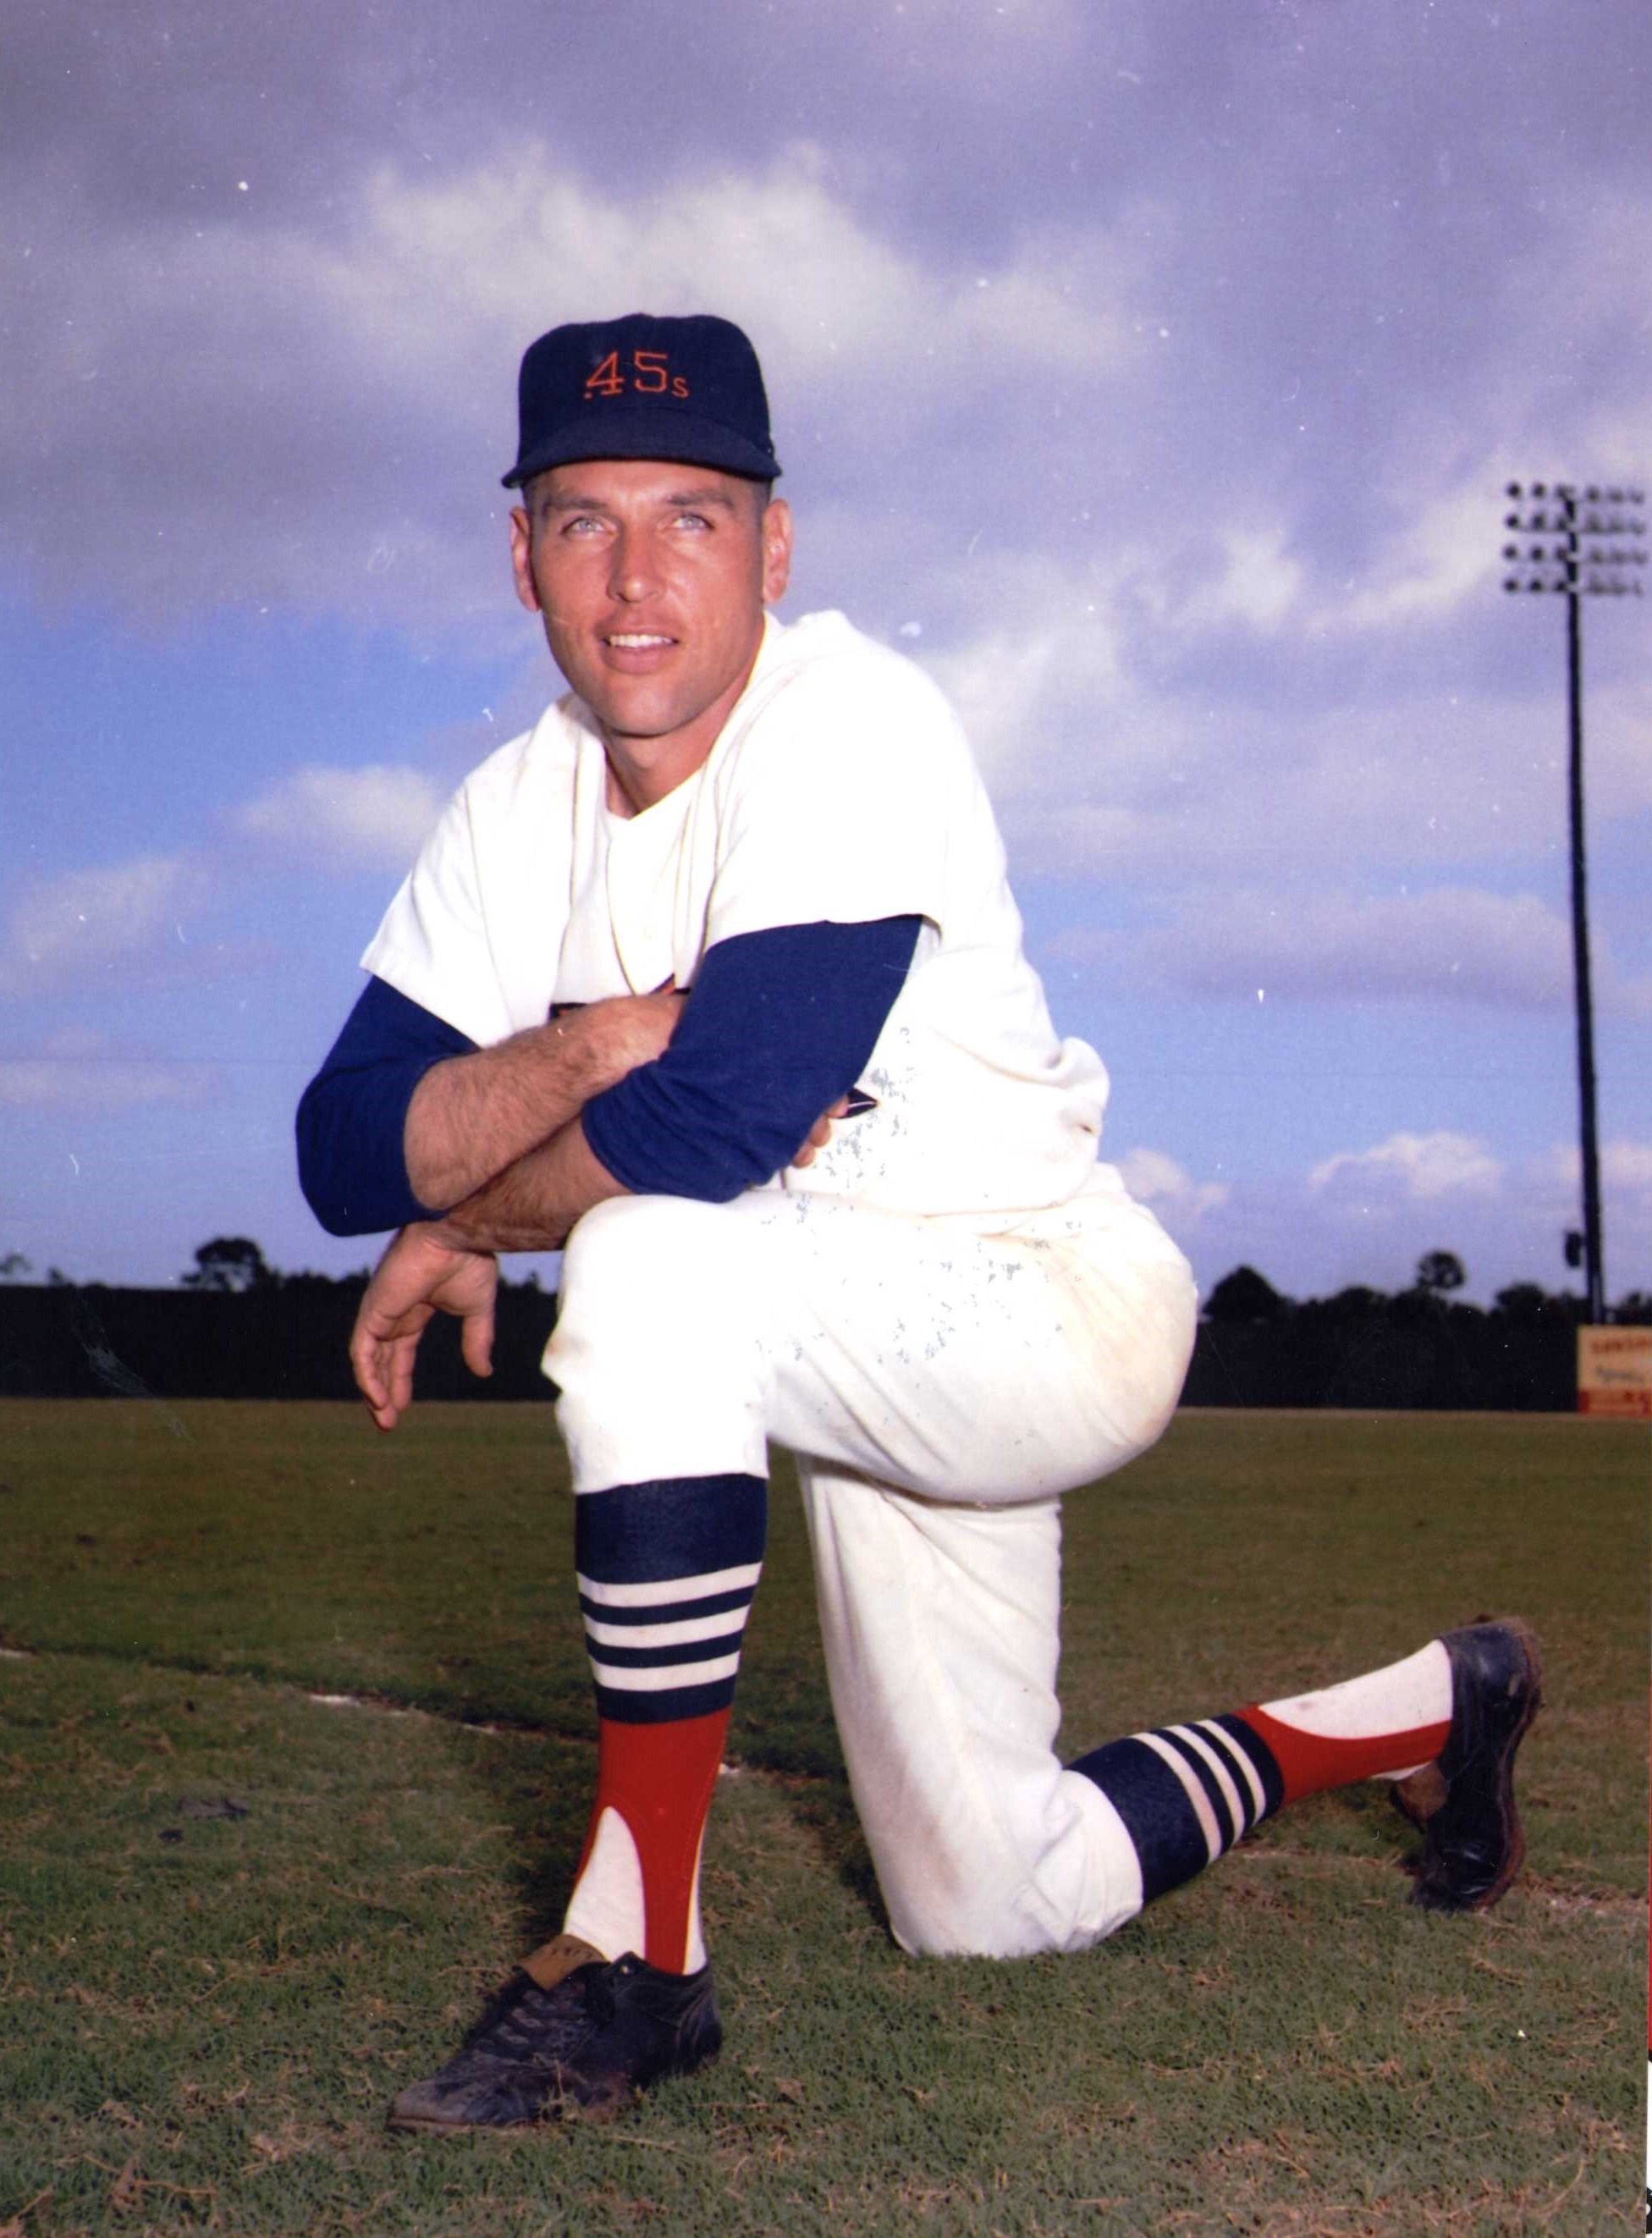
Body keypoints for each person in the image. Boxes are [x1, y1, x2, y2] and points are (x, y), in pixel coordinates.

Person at [296, 311, 1540, 2131]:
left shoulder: (847, 715)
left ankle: (636, 1955)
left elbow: (704, 1126)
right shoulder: (513, 809)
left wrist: (470, 1204)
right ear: (520, 555)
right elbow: (340, 1144)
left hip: (1032, 1298)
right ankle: (1434, 1703)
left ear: (774, 548)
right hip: (843, 1330)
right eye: (582, 520)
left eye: (694, 517)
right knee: (990, 1897)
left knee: (648, 1252)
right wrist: (576, 1049)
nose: (637, 576)